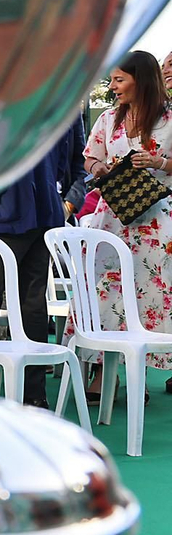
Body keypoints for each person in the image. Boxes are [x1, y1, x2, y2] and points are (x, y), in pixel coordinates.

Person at [0, 124, 84, 407]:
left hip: (20, 215)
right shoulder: (62, 97)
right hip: (29, 212)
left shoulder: (16, 93)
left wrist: (68, 203)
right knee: (23, 303)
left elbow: (77, 161)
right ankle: (30, 396)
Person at [78, 50, 172, 392]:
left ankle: (139, 376)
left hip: (155, 222)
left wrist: (160, 162)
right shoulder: (109, 119)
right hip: (112, 217)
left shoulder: (169, 119)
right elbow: (89, 157)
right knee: (105, 289)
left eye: (120, 80)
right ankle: (104, 373)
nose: (113, 86)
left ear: (140, 80)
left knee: (146, 295)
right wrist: (97, 168)